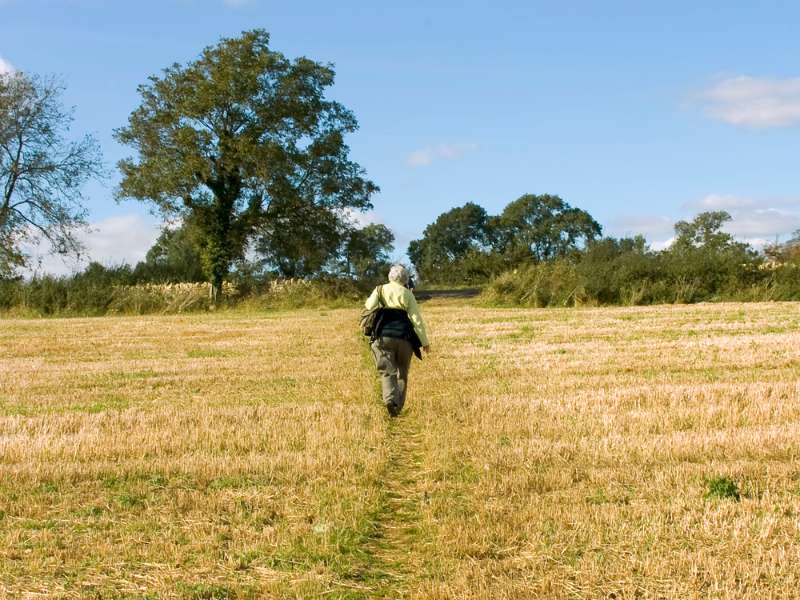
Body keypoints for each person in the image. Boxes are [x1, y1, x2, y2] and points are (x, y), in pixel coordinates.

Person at [364, 264, 430, 417]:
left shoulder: (380, 289)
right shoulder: (408, 294)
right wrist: (424, 342)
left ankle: (389, 400)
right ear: (405, 279)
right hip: (404, 338)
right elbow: (416, 320)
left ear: (390, 276)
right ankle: (397, 407)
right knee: (402, 373)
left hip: (383, 336)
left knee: (387, 371)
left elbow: (368, 306)